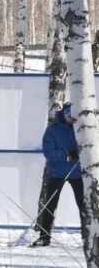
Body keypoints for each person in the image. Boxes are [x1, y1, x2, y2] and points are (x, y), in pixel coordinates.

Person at [32, 102, 87, 247]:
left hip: (77, 172)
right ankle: (44, 237)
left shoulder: (81, 128)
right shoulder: (52, 130)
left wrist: (81, 153)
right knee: (50, 204)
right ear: (64, 114)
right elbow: (48, 152)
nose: (71, 119)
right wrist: (67, 156)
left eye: (73, 116)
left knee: (84, 205)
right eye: (69, 116)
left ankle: (88, 236)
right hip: (57, 172)